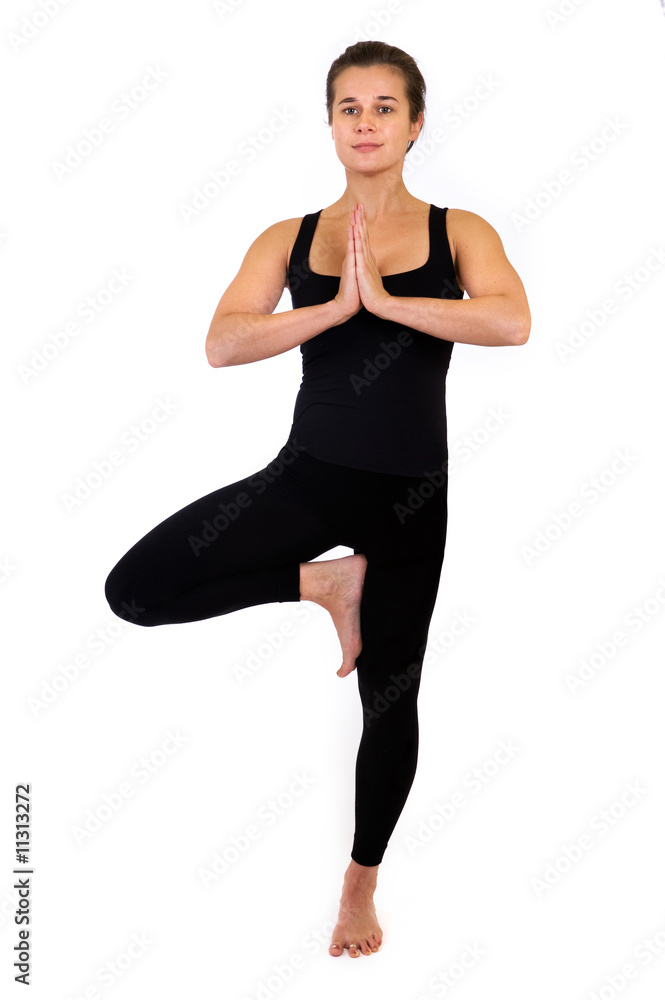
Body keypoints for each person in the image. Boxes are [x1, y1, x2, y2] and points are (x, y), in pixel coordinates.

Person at [104, 40, 530, 959]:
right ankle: (321, 584)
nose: (366, 122)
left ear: (415, 124)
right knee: (134, 591)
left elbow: (511, 319)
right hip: (309, 479)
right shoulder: (289, 238)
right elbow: (223, 342)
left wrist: (388, 302)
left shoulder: (458, 230)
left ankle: (359, 884)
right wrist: (334, 309)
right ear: (330, 125)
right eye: (349, 108)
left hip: (411, 501)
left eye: (384, 107)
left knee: (390, 700)